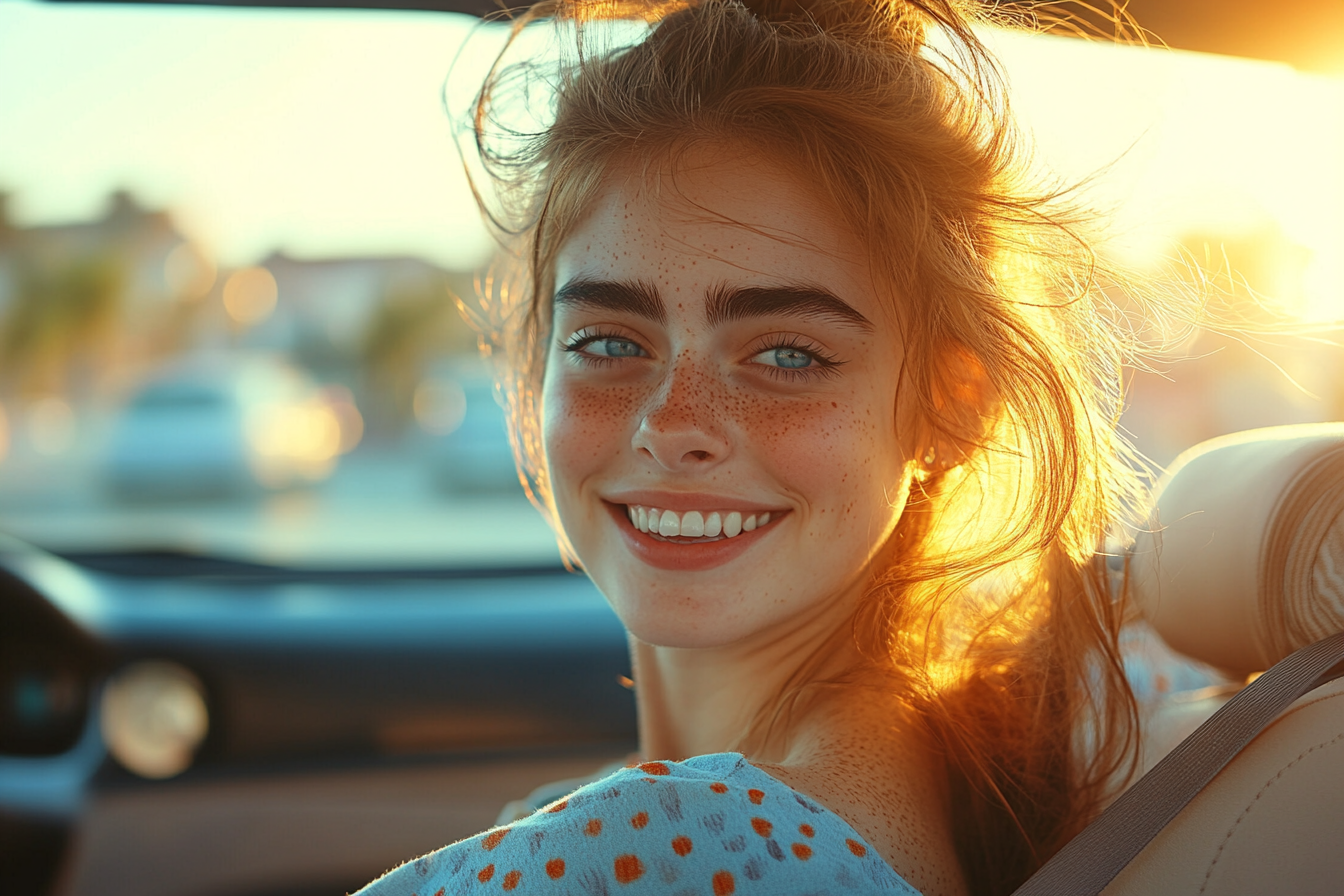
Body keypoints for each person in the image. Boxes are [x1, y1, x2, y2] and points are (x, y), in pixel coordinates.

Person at [358, 1, 1156, 893]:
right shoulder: (928, 790)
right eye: (611, 343)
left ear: (950, 402)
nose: (671, 425)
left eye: (788, 354)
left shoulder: (675, 851)